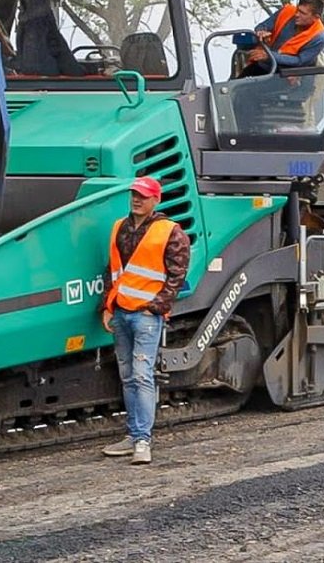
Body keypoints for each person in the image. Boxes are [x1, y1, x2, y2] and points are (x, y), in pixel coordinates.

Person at [99, 176, 190, 465]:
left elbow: (177, 275)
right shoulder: (119, 228)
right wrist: (108, 305)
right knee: (128, 377)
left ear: (156, 200)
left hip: (146, 316)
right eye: (134, 194)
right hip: (122, 313)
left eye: (143, 195)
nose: (137, 199)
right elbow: (112, 270)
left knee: (141, 375)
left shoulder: (170, 231)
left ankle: (142, 441)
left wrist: (156, 307)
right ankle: (133, 435)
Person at [237, 0, 324, 76]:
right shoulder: (287, 11)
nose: (296, 14)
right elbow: (262, 26)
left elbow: (300, 61)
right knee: (237, 87)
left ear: (316, 17)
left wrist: (270, 56)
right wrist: (261, 32)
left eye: (302, 13)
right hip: (265, 65)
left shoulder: (320, 36)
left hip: (290, 75)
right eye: (297, 10)